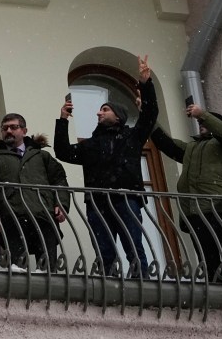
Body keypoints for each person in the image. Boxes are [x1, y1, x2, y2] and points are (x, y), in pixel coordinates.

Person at [54, 55, 157, 278]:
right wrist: (63, 120)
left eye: (105, 109)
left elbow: (149, 116)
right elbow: (62, 152)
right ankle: (107, 282)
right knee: (104, 250)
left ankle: (142, 279)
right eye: (100, 110)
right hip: (97, 201)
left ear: (118, 116)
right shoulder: (91, 145)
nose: (99, 113)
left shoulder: (132, 137)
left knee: (133, 245)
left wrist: (146, 83)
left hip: (126, 198)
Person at [150, 104, 222, 282]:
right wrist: (147, 115)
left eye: (204, 122)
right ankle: (216, 295)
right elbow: (166, 143)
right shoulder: (191, 148)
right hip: (196, 210)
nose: (200, 123)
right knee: (207, 258)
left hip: (221, 207)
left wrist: (202, 114)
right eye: (200, 122)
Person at [0, 113, 69, 272]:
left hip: (43, 215)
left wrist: (61, 204)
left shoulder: (41, 155)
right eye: (5, 128)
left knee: (48, 270)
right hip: (11, 217)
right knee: (17, 270)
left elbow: (59, 180)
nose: (9, 131)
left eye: (14, 127)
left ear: (24, 130)